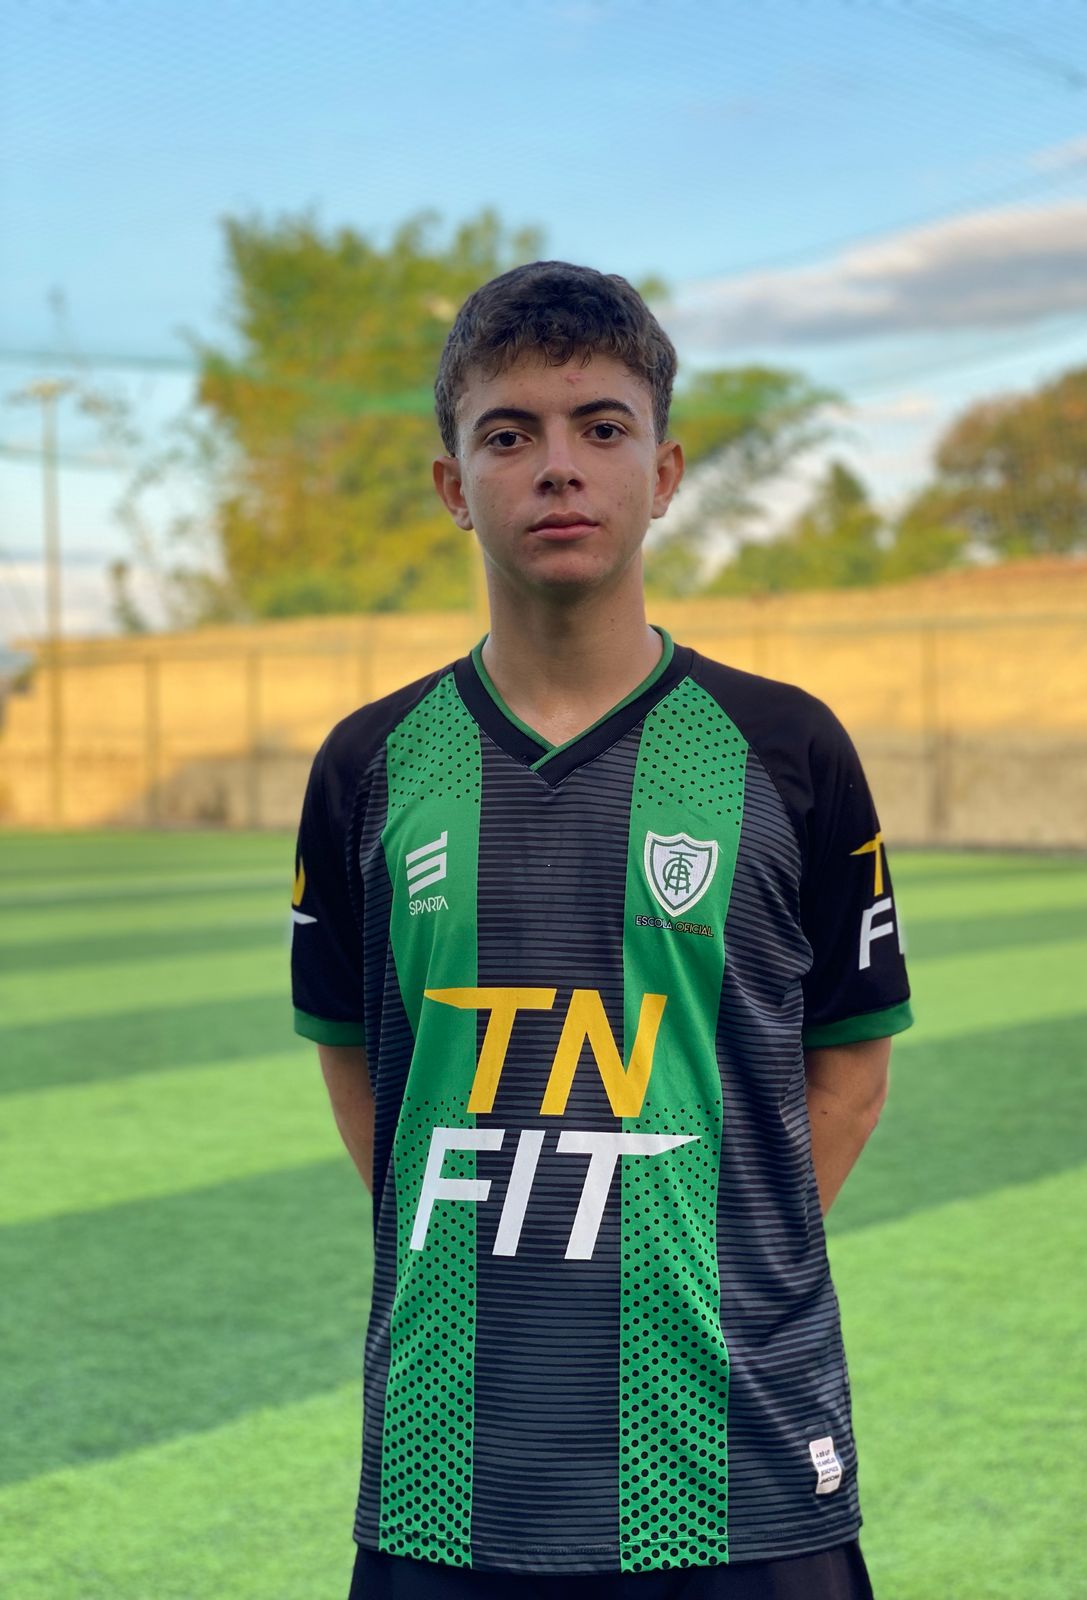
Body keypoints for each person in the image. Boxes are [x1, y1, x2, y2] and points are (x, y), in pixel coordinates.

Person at [290, 261, 913, 1600]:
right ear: (454, 485)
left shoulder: (787, 748)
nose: (558, 466)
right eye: (509, 434)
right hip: (448, 1469)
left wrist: (714, 1247)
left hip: (741, 1465)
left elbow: (853, 1064)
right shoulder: (368, 765)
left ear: (665, 471)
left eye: (602, 427)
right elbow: (355, 1056)